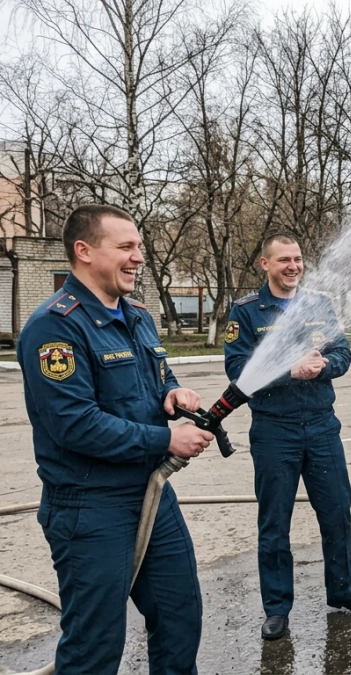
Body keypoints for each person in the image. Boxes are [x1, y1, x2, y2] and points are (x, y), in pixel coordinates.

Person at [18, 204, 213, 674]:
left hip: (151, 495)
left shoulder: (138, 315)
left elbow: (158, 376)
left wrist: (174, 393)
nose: (138, 257)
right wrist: (166, 442)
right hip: (90, 507)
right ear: (84, 252)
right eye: (125, 247)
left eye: (139, 247)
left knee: (179, 615)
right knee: (96, 644)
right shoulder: (55, 326)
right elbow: (75, 424)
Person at [224, 232, 351, 641]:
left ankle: (343, 591)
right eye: (283, 260)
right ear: (265, 264)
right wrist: (288, 370)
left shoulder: (319, 304)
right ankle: (277, 609)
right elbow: (238, 370)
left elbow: (343, 354)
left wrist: (324, 364)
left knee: (336, 512)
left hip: (322, 425)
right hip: (275, 429)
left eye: (297, 259)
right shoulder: (245, 312)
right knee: (275, 522)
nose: (292, 266)